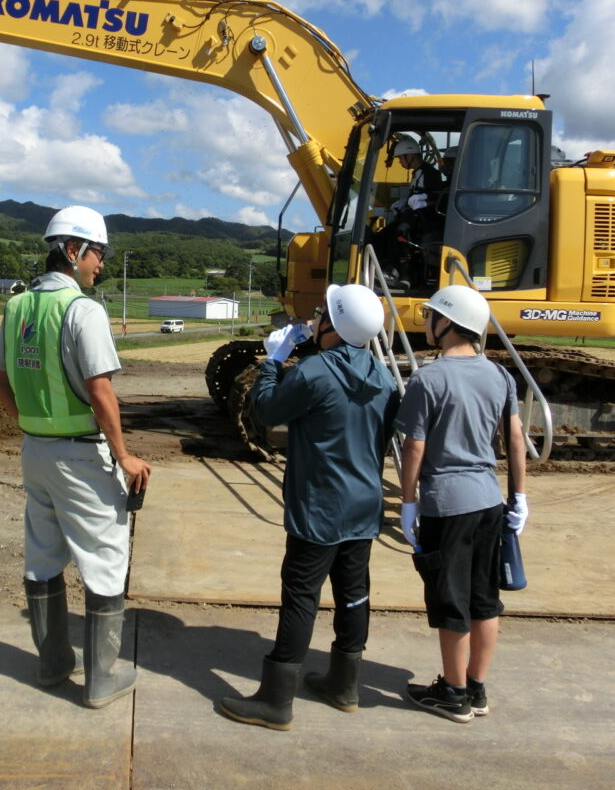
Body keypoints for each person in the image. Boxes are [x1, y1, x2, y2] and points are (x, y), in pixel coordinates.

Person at [0, 205, 152, 710]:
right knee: (104, 559)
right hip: (82, 455)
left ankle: (53, 663)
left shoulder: (17, 308)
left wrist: (33, 423)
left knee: (42, 557)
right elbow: (101, 391)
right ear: (75, 251)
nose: (100, 264)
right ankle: (101, 679)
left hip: (35, 452)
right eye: (98, 253)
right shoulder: (83, 310)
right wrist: (123, 455)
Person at [217, 284, 400, 730]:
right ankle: (344, 685)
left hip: (320, 506)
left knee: (300, 595)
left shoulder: (315, 372)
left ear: (332, 326)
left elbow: (265, 411)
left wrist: (274, 362)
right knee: (353, 593)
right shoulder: (383, 377)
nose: (315, 319)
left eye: (321, 314)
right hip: (364, 506)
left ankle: (276, 700)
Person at [395, 285, 528, 723]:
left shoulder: (428, 378)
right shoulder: (499, 376)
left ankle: (452, 695)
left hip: (446, 504)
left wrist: (408, 502)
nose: (427, 321)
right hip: (489, 500)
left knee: (451, 600)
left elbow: (415, 447)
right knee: (483, 598)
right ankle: (476, 687)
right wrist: (519, 497)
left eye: (432, 315)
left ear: (447, 323)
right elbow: (514, 441)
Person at [371, 136, 447, 289]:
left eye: (401, 159)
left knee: (401, 232)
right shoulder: (417, 173)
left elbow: (439, 196)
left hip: (426, 217)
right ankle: (389, 268)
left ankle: (405, 275)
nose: (400, 162)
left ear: (410, 155)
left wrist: (425, 200)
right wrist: (404, 203)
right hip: (414, 214)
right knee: (380, 237)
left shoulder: (430, 173)